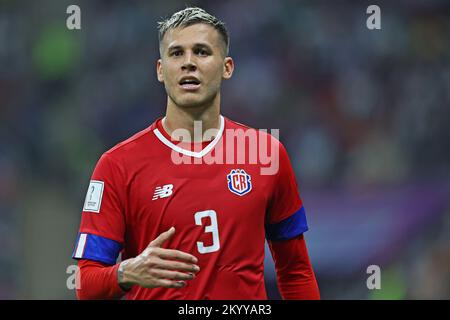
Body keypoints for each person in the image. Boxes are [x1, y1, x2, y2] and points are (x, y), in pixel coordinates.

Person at [72, 6, 320, 300]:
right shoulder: (117, 165)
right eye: (177, 53)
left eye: (202, 52)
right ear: (160, 70)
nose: (188, 63)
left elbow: (296, 271)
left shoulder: (265, 154)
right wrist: (125, 273)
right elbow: (85, 284)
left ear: (227, 67)